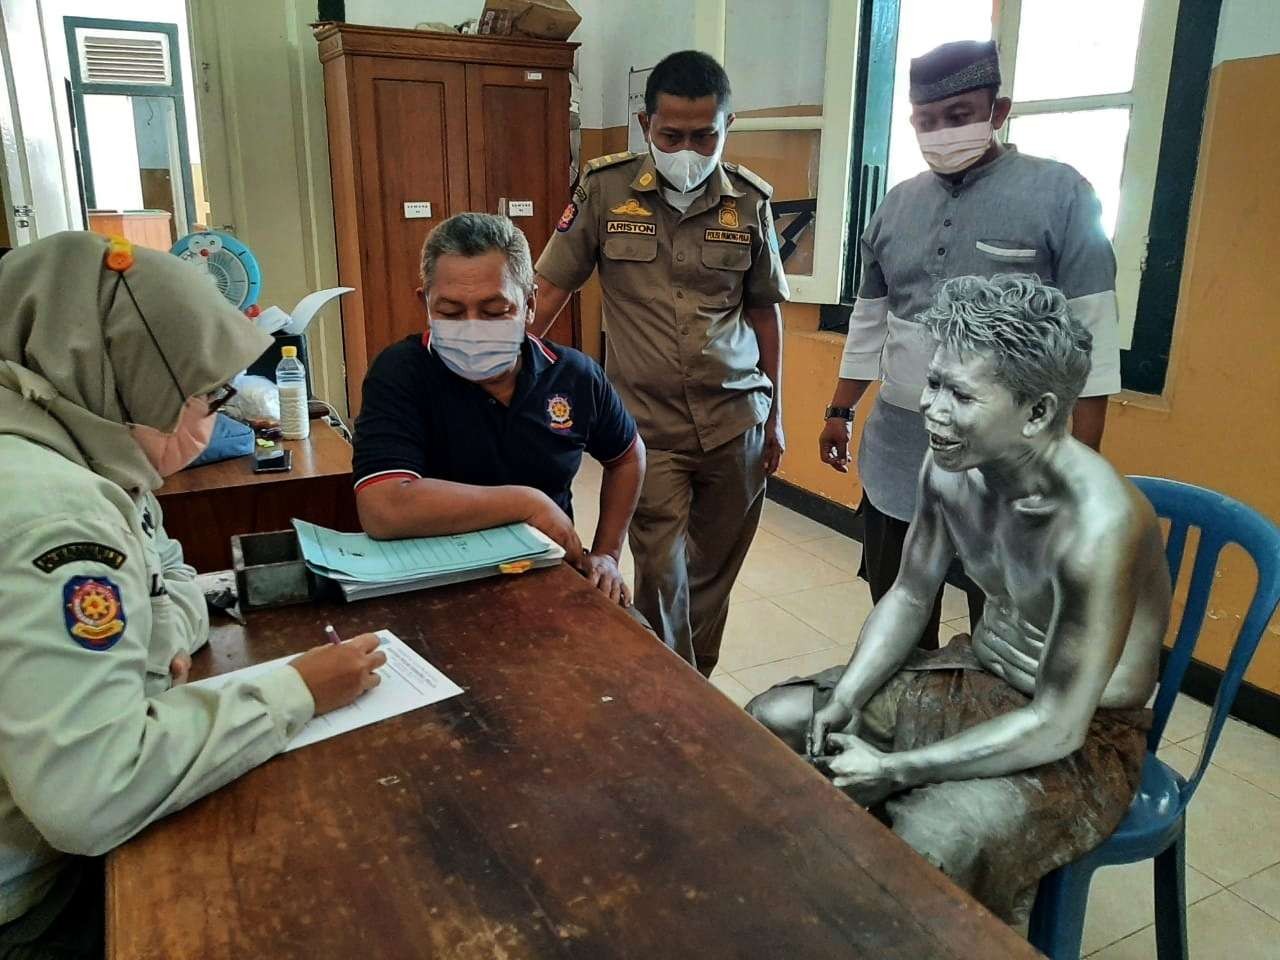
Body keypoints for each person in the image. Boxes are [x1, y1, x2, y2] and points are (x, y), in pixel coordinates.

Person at [0, 233, 386, 958]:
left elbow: (170, 572)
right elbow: (92, 793)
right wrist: (294, 690)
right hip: (31, 905)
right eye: (206, 395)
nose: (218, 417)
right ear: (132, 376)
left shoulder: (76, 447)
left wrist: (147, 641)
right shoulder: (59, 509)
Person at [748, 275, 1169, 923]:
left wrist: (897, 768)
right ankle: (819, 909)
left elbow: (1058, 722)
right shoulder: (952, 463)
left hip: (1077, 737)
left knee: (931, 842)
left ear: (1036, 412)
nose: (931, 409)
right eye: (934, 383)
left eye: (960, 394)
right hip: (972, 678)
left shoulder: (1098, 525)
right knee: (778, 715)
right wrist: (851, 694)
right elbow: (912, 593)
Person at [817, 40, 1122, 650]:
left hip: (1011, 460)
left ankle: (982, 726)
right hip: (900, 446)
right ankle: (899, 714)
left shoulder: (1061, 195)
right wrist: (839, 411)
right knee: (900, 599)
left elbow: (1094, 345)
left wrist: (1076, 477)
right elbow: (871, 321)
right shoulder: (895, 205)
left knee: (1005, 618)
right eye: (927, 121)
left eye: (959, 116)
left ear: (998, 109)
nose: (942, 133)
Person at [533, 50, 789, 674]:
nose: (688, 149)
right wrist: (492, 372)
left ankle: (693, 680)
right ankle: (670, 695)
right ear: (646, 124)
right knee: (660, 570)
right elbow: (547, 291)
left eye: (705, 135)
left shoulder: (750, 203)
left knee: (713, 573)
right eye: (671, 135)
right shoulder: (604, 190)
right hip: (647, 429)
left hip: (737, 420)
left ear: (728, 126)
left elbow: (764, 314)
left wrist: (776, 415)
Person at [352, 213, 645, 608]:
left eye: (494, 311)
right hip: (437, 588)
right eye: (452, 312)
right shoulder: (401, 373)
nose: (473, 328)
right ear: (425, 303)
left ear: (528, 304)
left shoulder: (573, 376)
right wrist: (527, 504)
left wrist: (608, 553)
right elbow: (384, 506)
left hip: (547, 580)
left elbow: (628, 455)